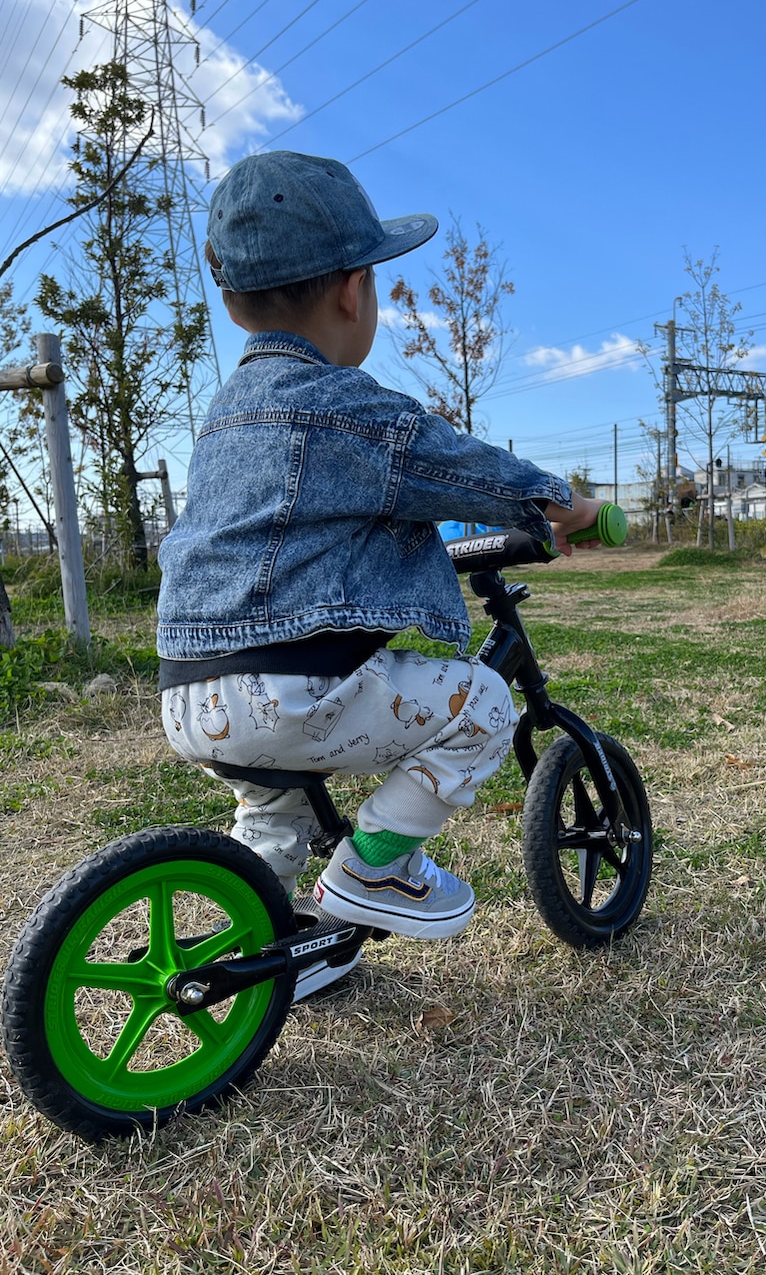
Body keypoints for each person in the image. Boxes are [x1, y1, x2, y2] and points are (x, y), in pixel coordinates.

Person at [156, 150, 603, 996]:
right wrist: (564, 505)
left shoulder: (224, 418)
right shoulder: (351, 407)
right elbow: (464, 466)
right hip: (286, 689)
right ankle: (376, 869)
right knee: (484, 703)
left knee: (276, 809)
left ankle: (275, 960)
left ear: (233, 300)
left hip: (191, 694)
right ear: (353, 291)